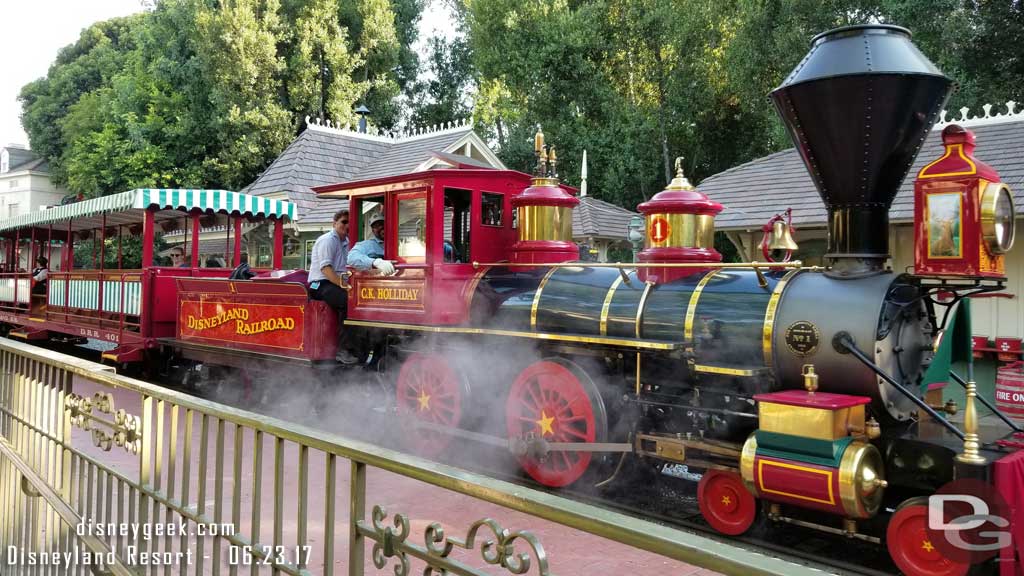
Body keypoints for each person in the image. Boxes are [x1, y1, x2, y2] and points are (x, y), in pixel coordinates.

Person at [308, 209, 358, 364]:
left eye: (350, 222)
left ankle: (357, 346)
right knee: (348, 302)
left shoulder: (347, 242)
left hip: (335, 283)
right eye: (344, 221)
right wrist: (346, 287)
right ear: (334, 223)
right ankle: (342, 351)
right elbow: (326, 269)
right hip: (320, 284)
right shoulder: (328, 240)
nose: (347, 225)